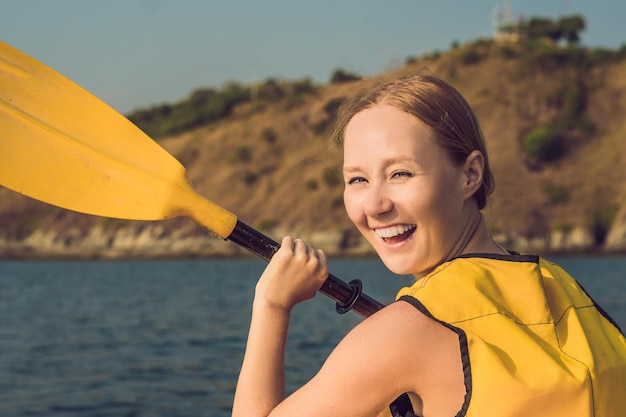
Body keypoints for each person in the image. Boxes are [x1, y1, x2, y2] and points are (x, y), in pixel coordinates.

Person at [232, 74, 626, 417]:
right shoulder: (571, 295)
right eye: (357, 180)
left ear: (470, 174)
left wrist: (272, 304)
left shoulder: (405, 332)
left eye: (400, 173)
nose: (375, 205)